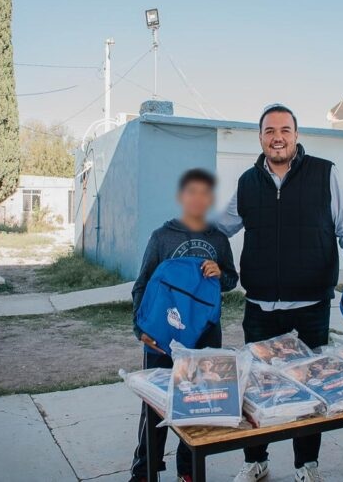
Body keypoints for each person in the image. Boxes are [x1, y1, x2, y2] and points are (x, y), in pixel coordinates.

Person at [218, 103, 343, 482]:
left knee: (310, 388)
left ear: (296, 134)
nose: (278, 137)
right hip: (260, 308)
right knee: (257, 387)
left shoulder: (324, 173)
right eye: (270, 130)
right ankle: (255, 460)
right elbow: (220, 227)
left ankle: (306, 465)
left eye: (285, 129)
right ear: (260, 138)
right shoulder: (247, 182)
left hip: (310, 307)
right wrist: (184, 233)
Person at [129, 168, 238, 482]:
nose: (198, 199)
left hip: (205, 336)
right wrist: (141, 329)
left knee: (196, 403)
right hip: (163, 336)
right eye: (192, 192)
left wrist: (221, 272)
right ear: (181, 197)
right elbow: (142, 285)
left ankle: (188, 470)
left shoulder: (218, 238)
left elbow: (231, 280)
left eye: (205, 193)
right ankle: (144, 471)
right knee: (154, 406)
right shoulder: (162, 237)